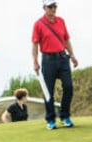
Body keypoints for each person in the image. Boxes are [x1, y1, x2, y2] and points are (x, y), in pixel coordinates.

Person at [31, 0, 79, 130]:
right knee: (49, 91)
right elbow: (35, 44)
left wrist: (72, 55)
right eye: (50, 7)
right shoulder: (38, 24)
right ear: (44, 8)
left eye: (55, 6)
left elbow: (66, 40)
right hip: (48, 60)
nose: (53, 9)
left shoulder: (61, 21)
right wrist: (35, 61)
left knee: (68, 87)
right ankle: (50, 119)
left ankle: (64, 116)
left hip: (63, 58)